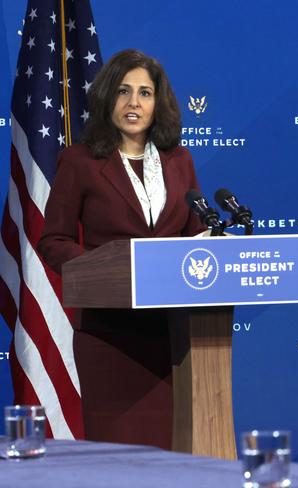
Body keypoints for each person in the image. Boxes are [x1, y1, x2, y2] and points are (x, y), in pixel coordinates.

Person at [38, 49, 205, 448]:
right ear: (106, 98)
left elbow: (197, 234)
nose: (134, 103)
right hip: (109, 334)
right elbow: (53, 241)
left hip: (172, 336)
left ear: (158, 102)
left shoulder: (179, 161)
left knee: (171, 454)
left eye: (145, 93)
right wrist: (106, 269)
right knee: (120, 454)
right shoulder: (80, 161)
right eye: (123, 92)